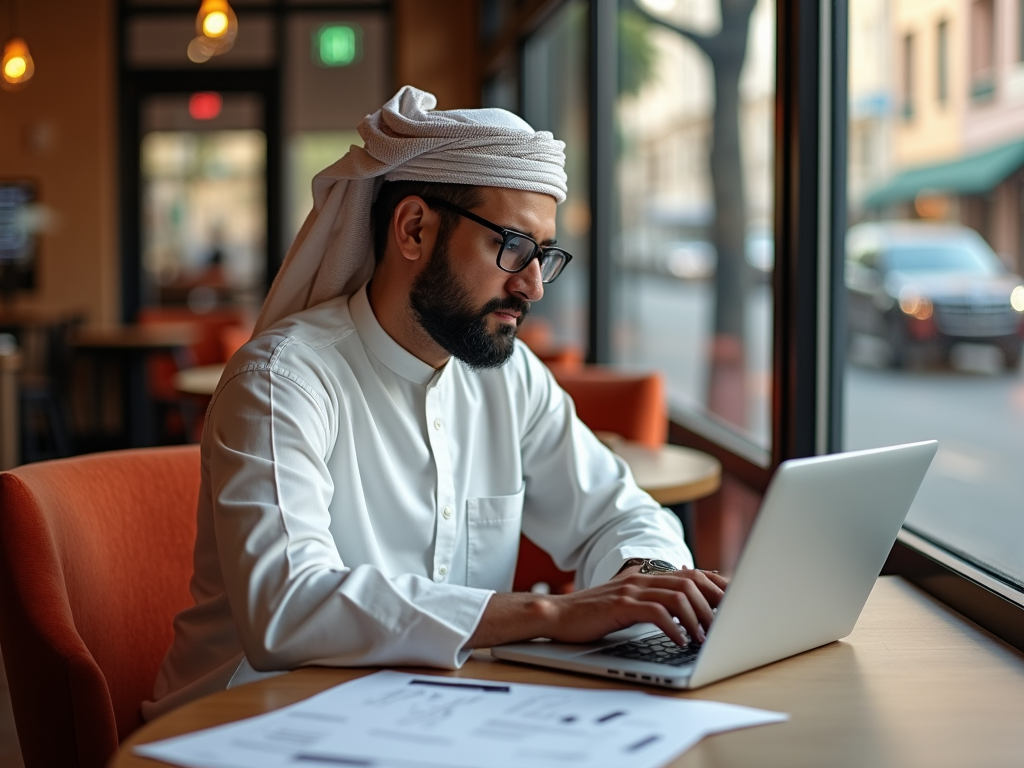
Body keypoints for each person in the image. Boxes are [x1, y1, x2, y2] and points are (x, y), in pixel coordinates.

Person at [143, 87, 727, 719]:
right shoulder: (282, 381)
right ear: (414, 228)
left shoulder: (509, 378)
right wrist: (552, 612)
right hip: (247, 725)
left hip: (438, 717)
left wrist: (644, 579)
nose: (532, 285)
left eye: (544, 255)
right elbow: (287, 609)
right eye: (512, 247)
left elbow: (620, 512)